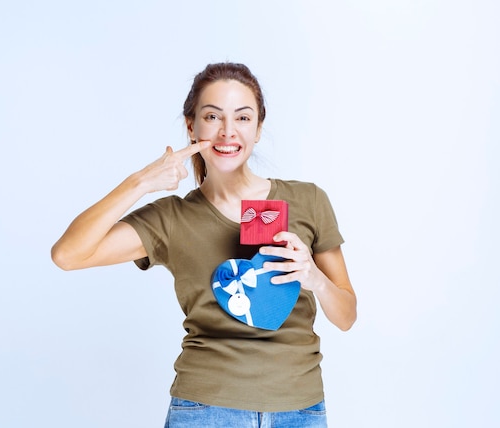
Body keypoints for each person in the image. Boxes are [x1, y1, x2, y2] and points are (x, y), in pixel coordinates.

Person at [51, 62, 356, 427]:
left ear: (258, 129)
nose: (228, 132)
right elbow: (67, 255)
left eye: (243, 118)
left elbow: (347, 317)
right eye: (213, 117)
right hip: (206, 410)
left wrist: (315, 279)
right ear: (192, 126)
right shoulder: (172, 218)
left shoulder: (308, 201)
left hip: (301, 409)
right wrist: (140, 183)